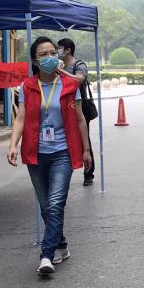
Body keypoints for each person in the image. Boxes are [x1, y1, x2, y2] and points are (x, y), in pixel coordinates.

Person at [7, 36, 92, 275]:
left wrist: (86, 149)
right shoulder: (27, 86)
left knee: (55, 204)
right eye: (43, 54)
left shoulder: (69, 85)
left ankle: (46, 255)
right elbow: (21, 118)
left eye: (53, 53)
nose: (49, 58)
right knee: (46, 206)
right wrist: (13, 144)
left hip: (62, 153)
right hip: (36, 154)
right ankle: (61, 244)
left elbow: (80, 119)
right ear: (35, 61)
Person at [57, 38, 95, 186]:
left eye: (60, 48)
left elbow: (79, 79)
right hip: (64, 107)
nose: (58, 51)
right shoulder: (60, 65)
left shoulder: (79, 65)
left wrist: (61, 72)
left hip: (80, 107)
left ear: (68, 50)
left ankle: (88, 173)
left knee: (84, 140)